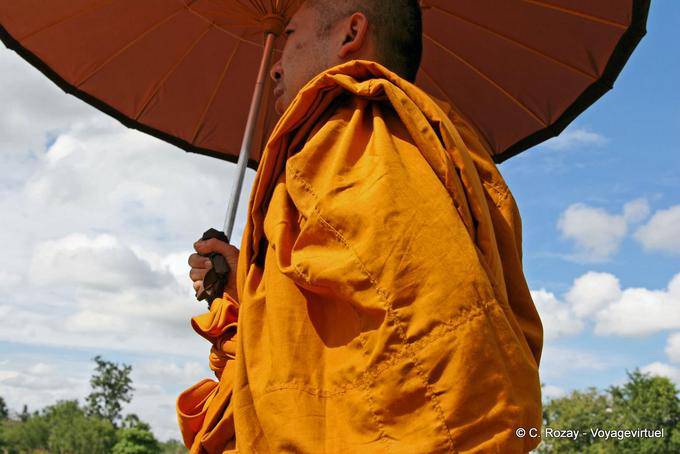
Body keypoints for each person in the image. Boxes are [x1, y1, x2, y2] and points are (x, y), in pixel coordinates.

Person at [180, 1, 544, 452]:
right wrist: (242, 286)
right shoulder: (372, 143)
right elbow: (323, 333)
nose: (275, 68)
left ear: (350, 34)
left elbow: (434, 348)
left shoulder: (361, 132)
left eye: (290, 35)